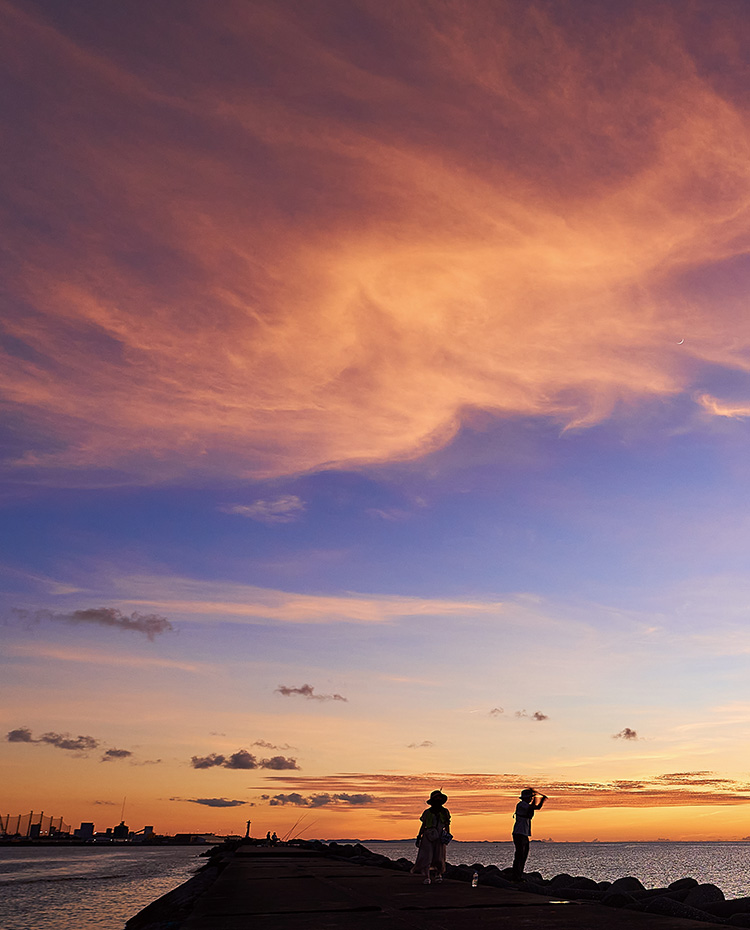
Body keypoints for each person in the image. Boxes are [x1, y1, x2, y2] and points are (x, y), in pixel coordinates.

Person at [411, 789, 451, 884]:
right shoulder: (427, 812)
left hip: (440, 836)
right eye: (436, 798)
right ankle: (427, 876)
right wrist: (419, 836)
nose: (438, 800)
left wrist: (447, 836)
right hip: (428, 835)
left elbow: (447, 824)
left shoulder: (445, 812)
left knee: (439, 857)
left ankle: (438, 874)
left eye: (439, 798)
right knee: (426, 856)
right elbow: (423, 825)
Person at [511, 788, 547, 881]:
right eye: (530, 797)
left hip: (524, 834)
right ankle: (516, 876)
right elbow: (534, 807)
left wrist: (541, 799)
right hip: (519, 833)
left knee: (523, 855)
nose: (530, 799)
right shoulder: (521, 805)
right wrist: (537, 798)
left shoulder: (525, 805)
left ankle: (518, 875)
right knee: (519, 855)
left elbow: (535, 807)